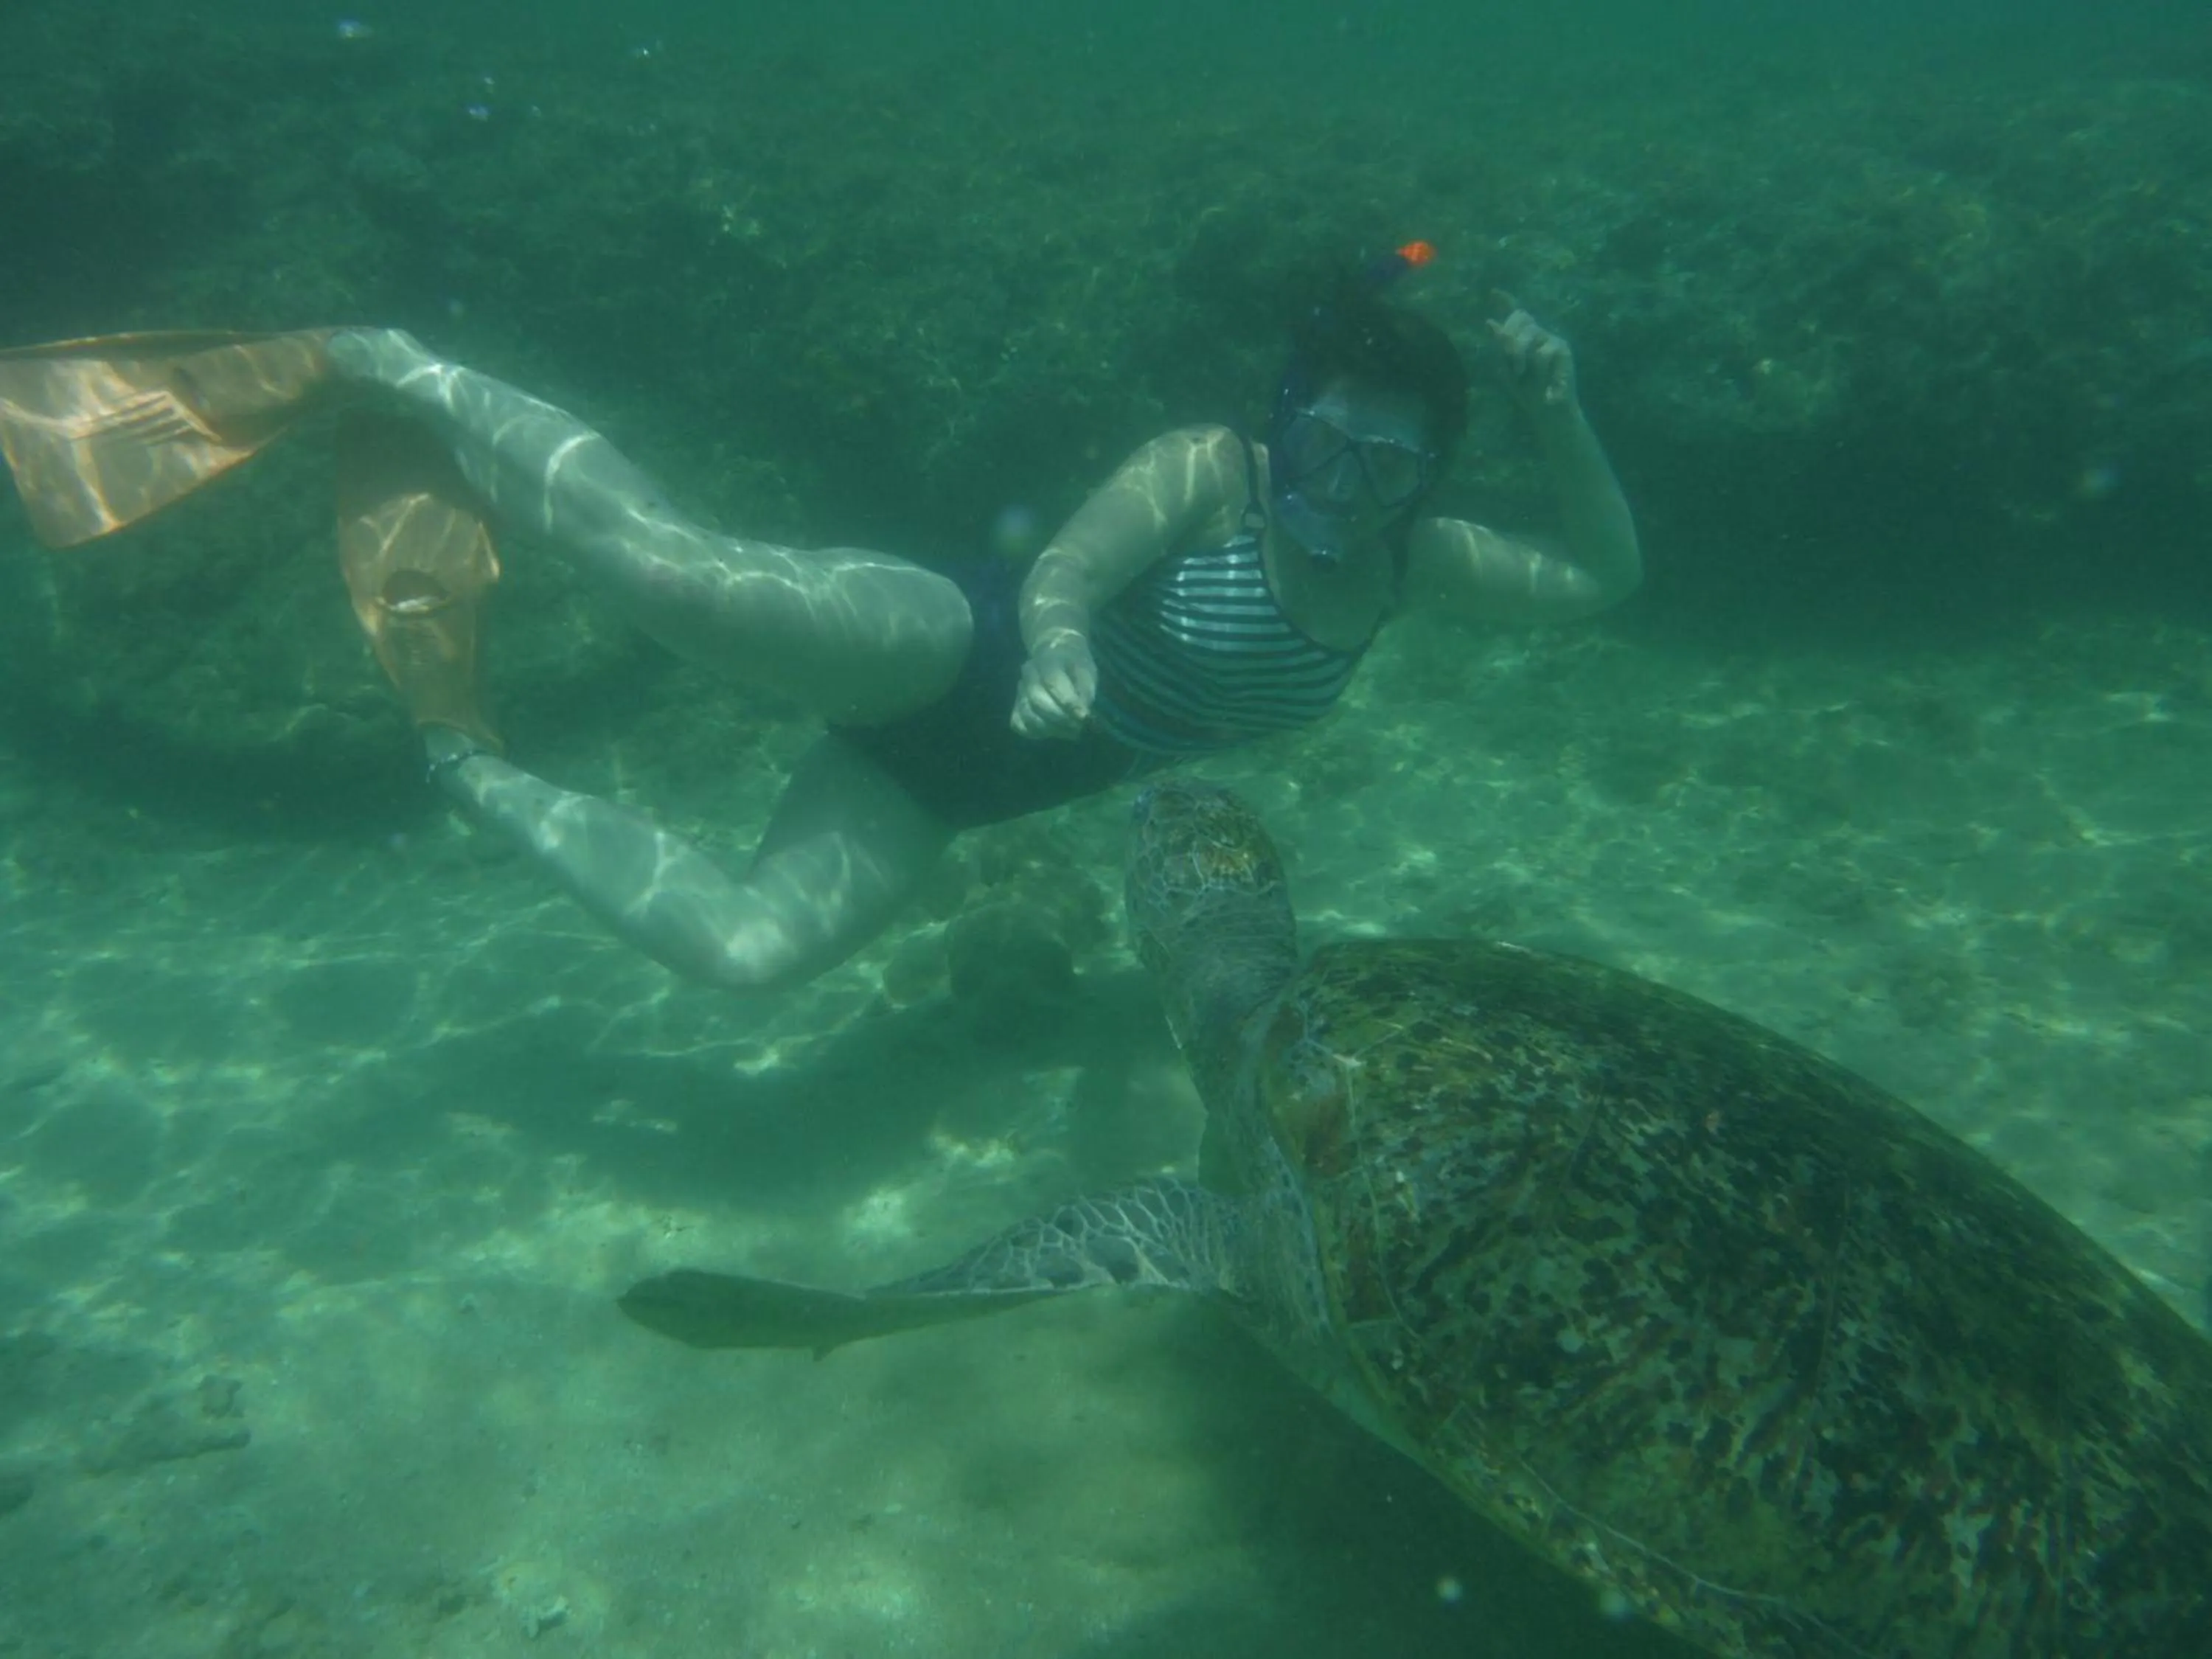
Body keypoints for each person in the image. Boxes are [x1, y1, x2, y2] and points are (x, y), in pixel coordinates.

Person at [0, 245, 1640, 993]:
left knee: (746, 958)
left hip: (959, 783)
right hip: (959, 646)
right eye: (1325, 441)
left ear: (1428, 485)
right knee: (677, 584)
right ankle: (387, 361)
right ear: (1283, 419)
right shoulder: (1210, 473)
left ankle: (456, 754)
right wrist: (1061, 645)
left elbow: (1607, 582)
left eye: (1387, 467)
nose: (1341, 486)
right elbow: (1066, 575)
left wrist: (1559, 414)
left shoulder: (1416, 570)